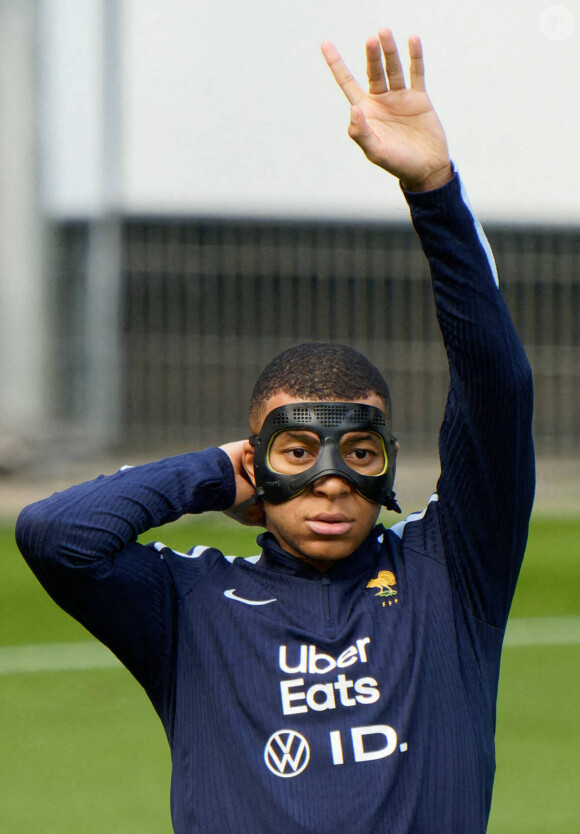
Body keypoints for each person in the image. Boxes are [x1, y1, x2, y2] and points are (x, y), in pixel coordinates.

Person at [16, 29, 534, 834]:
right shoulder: (189, 604)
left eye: (359, 453)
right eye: (298, 452)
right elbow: (56, 535)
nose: (331, 481)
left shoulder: (451, 572)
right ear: (257, 463)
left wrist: (434, 190)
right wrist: (214, 472)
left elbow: (498, 387)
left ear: (389, 468)